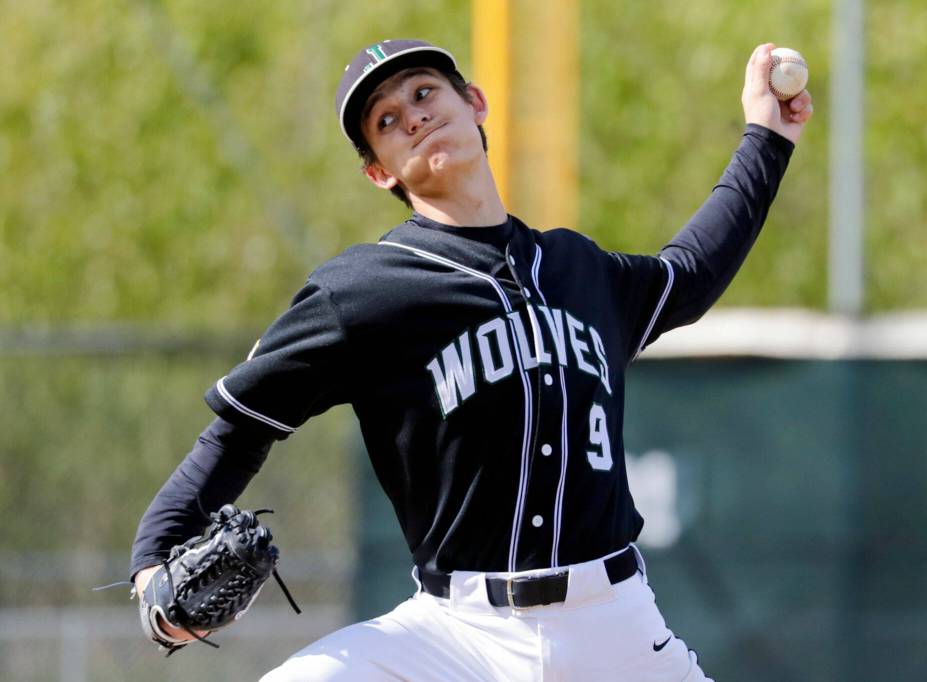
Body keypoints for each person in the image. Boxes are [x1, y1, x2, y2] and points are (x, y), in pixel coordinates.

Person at [131, 38, 812, 681]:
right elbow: (240, 429)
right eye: (388, 120)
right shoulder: (361, 293)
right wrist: (150, 564)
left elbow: (688, 272)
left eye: (426, 92)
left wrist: (767, 137)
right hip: (456, 637)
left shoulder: (576, 268)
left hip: (617, 627)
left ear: (475, 103)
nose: (415, 116)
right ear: (378, 170)